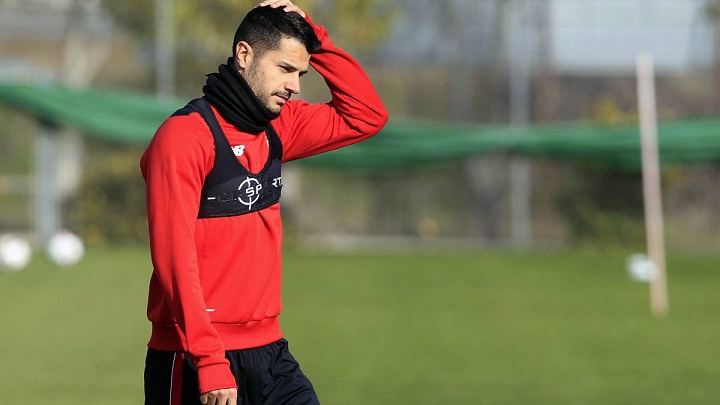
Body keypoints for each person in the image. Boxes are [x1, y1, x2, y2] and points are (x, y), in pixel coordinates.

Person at [140, 1, 388, 404]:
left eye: (302, 73)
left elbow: (366, 115)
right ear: (244, 55)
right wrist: (209, 359)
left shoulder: (280, 127)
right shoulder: (183, 138)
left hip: (269, 352)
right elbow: (173, 257)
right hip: (193, 355)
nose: (296, 85)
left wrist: (316, 37)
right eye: (285, 69)